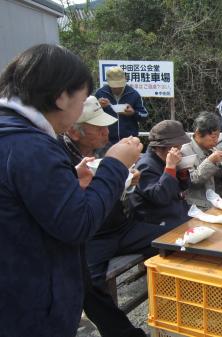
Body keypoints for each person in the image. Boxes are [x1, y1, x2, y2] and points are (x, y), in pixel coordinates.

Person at [0, 44, 142, 337]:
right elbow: (78, 224)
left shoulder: (12, 135)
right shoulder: (31, 145)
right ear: (62, 96)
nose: (82, 107)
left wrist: (67, 178)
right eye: (82, 98)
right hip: (30, 307)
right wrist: (115, 164)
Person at [60, 96, 169, 337]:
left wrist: (129, 182)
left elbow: (116, 193)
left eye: (106, 125)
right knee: (90, 287)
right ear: (73, 132)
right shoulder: (59, 157)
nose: (105, 131)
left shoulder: (104, 150)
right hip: (92, 236)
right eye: (97, 127)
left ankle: (173, 307)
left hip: (123, 226)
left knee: (172, 239)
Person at [129, 120, 191, 228]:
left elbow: (182, 187)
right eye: (176, 147)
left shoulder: (166, 159)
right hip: (156, 222)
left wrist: (183, 173)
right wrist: (170, 168)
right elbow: (160, 197)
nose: (179, 150)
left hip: (177, 215)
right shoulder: (145, 166)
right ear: (159, 147)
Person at [181, 111, 222, 209]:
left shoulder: (210, 149)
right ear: (198, 133)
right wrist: (210, 161)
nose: (216, 141)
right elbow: (192, 180)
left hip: (213, 201)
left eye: (218, 136)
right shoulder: (185, 150)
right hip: (195, 206)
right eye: (213, 137)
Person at [95, 66, 148, 144]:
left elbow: (145, 116)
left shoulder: (133, 94)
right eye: (114, 87)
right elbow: (90, 115)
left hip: (129, 141)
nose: (117, 89)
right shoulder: (100, 93)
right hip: (106, 141)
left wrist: (133, 113)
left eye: (119, 86)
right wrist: (98, 106)